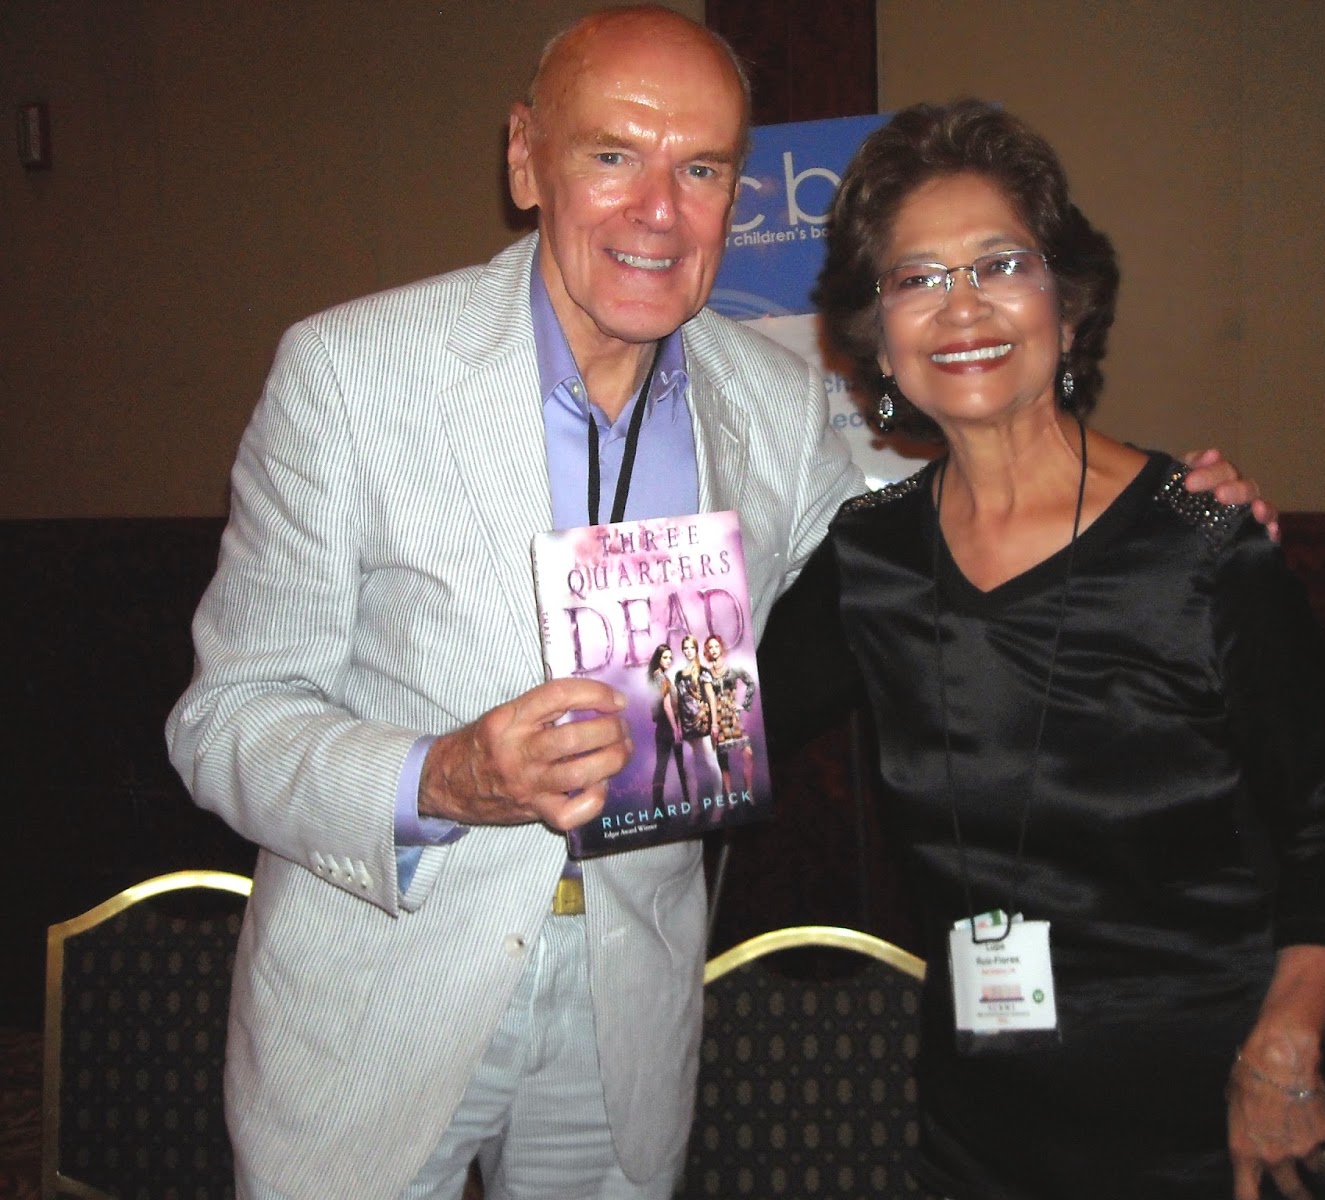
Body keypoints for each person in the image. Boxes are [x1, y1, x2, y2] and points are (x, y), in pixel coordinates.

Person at [165, 5, 1267, 1196]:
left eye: (699, 169)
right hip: (381, 1002)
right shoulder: (351, 374)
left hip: (627, 1014)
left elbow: (951, 522)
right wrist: (442, 777)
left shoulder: (774, 406)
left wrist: (1160, 505)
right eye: (612, 155)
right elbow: (225, 720)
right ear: (526, 158)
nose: (658, 210)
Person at [764, 100, 1325, 1200]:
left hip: (1220, 1116)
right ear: (878, 333)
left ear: (1067, 297)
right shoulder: (869, 556)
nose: (962, 307)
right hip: (980, 1133)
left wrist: (1286, 1050)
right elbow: (707, 737)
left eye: (1000, 263)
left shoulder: (1200, 537)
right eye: (916, 278)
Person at [703, 633, 758, 797]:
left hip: (733, 718)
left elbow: (751, 683)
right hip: (717, 719)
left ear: (721, 648)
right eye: (710, 647)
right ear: (707, 651)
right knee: (723, 761)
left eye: (716, 646)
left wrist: (744, 705)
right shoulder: (707, 674)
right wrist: (712, 723)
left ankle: (749, 792)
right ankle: (730, 797)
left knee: (748, 753)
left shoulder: (733, 669)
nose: (713, 650)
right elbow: (709, 699)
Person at [672, 633, 721, 809]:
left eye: (691, 647)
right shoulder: (679, 675)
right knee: (688, 769)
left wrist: (714, 723)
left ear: (696, 649)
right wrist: (678, 726)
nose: (688, 651)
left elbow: (711, 698)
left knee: (711, 763)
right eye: (685, 648)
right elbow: (679, 703)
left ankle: (719, 804)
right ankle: (694, 809)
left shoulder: (703, 672)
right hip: (686, 728)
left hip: (703, 724)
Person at [646, 643, 690, 807]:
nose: (668, 660)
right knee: (681, 766)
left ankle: (658, 806)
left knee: (662, 767)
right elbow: (667, 706)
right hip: (668, 726)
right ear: (658, 659)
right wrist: (675, 728)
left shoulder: (654, 678)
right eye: (665, 657)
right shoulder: (661, 678)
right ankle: (689, 801)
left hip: (662, 728)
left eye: (670, 658)